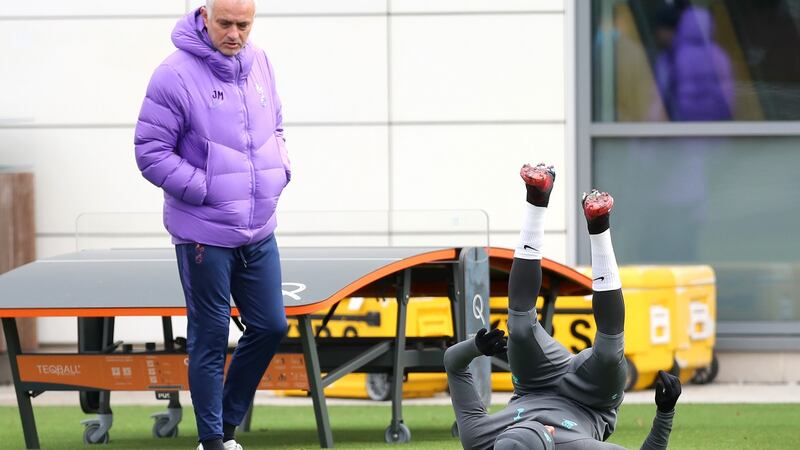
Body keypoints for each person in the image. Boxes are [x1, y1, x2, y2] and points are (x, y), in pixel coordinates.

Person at [134, 1, 290, 449]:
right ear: (204, 16)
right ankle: (212, 442)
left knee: (271, 326)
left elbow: (275, 126)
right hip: (203, 231)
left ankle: (224, 426)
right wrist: (207, 189)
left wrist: (280, 168)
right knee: (210, 336)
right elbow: (150, 151)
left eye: (244, 24)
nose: (235, 34)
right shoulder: (174, 74)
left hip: (259, 228)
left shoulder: (259, 62)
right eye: (225, 23)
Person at [443, 164, 681, 449]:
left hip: (534, 385)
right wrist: (665, 411)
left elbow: (453, 365)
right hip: (591, 400)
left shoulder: (479, 439)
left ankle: (537, 198)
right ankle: (599, 225)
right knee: (608, 353)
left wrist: (475, 347)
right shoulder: (574, 445)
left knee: (518, 327)